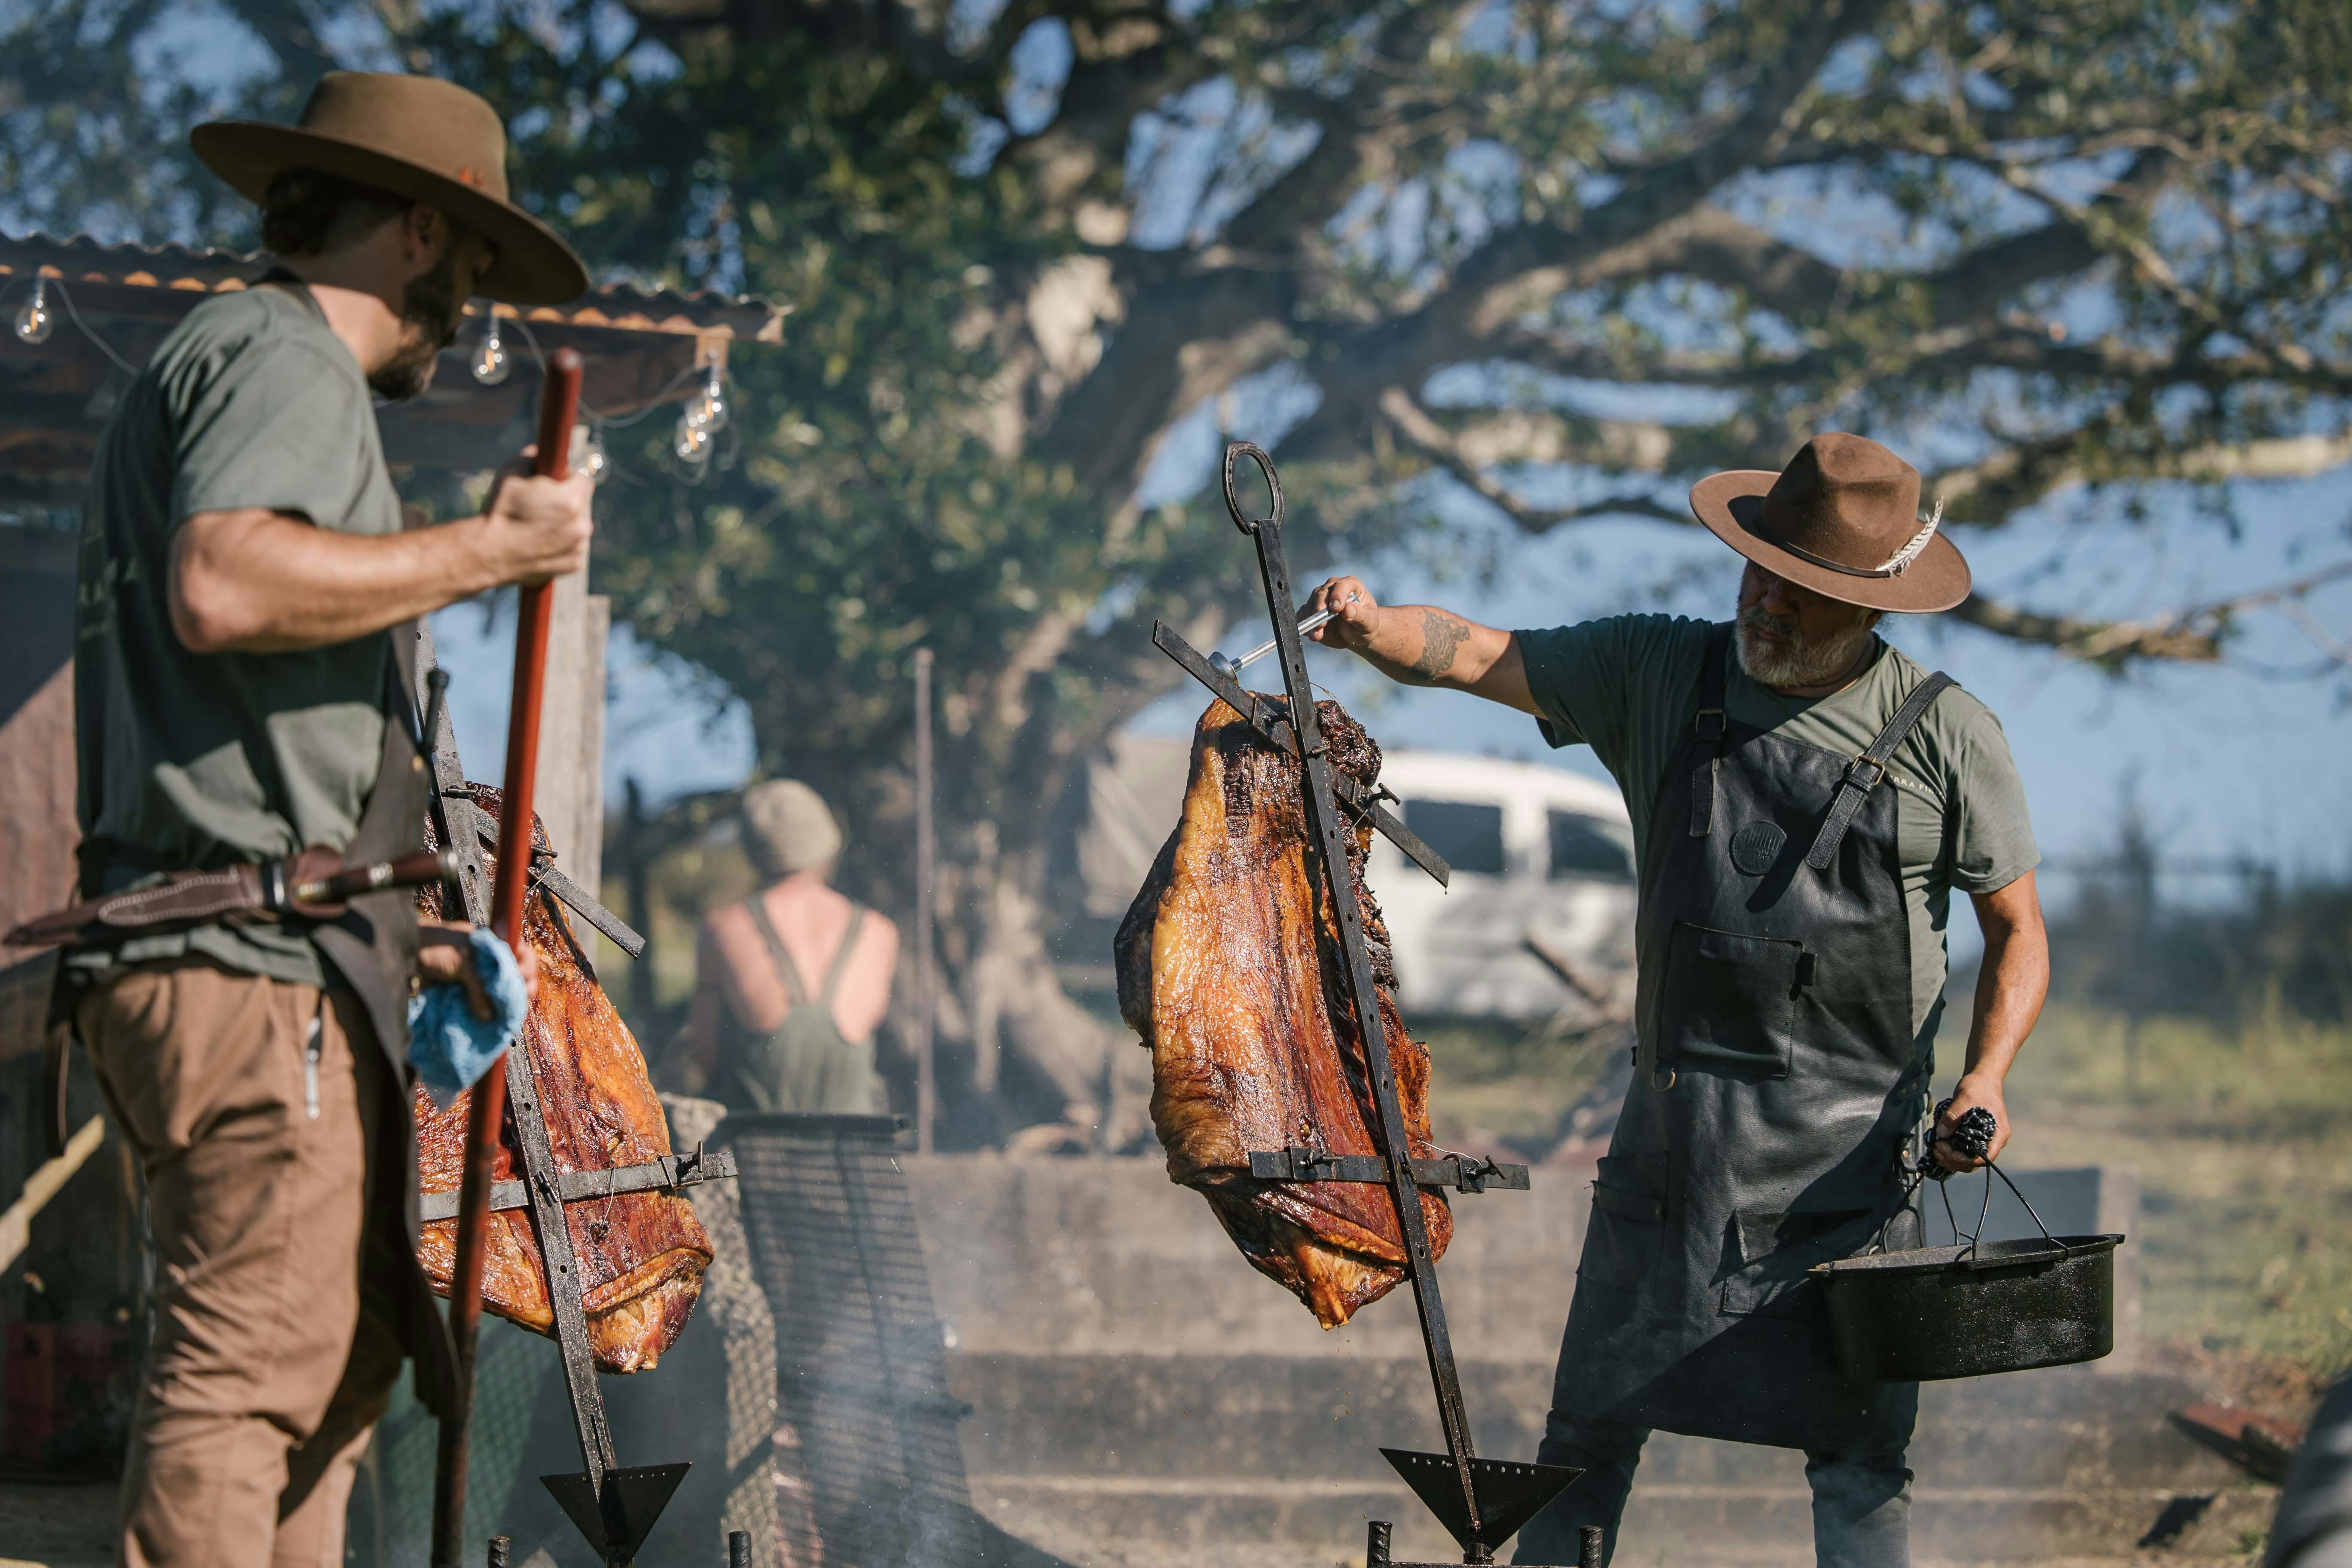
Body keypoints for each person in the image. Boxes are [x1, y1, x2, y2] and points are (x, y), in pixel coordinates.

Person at [1301, 432, 2050, 1568]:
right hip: (1670, 1168)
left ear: (1869, 607)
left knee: (1860, 1472)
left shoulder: (1949, 736)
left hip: (1849, 1192)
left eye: (1800, 594)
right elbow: (1473, 654)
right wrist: (1371, 626)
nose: (1764, 601)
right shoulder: (1660, 670)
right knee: (1583, 1445)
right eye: (1758, 570)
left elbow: (2019, 936)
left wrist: (1986, 1080)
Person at [65, 72, 594, 1568]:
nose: (467, 314)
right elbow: (226, 584)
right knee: (242, 1387)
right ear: (421, 231)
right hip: (240, 976)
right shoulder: (280, 351)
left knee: (339, 1366)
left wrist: (386, 931)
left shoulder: (228, 361)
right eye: (471, 273)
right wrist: (492, 548)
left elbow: (227, 720)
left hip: (264, 946)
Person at [681, 779, 901, 1114]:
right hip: (854, 1159)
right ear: (827, 843)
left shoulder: (722, 929)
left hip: (754, 1159)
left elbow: (703, 1059)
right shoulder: (880, 933)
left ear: (754, 849)